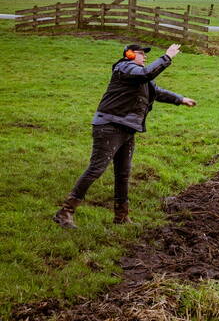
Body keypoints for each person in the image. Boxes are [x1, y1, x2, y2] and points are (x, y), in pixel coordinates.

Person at [53, 43, 197, 228]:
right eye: (141, 53)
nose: (144, 57)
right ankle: (65, 212)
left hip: (127, 128)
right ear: (129, 54)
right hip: (110, 126)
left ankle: (121, 217)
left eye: (145, 54)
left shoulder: (138, 76)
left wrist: (180, 99)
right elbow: (147, 74)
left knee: (123, 173)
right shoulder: (125, 68)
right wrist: (167, 57)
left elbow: (156, 91)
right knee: (96, 168)